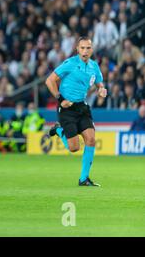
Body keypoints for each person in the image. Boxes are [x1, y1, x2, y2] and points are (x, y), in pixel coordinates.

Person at [45, 37, 107, 187]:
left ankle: (84, 179)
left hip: (82, 107)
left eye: (88, 48)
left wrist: (102, 89)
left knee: (91, 139)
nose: (85, 51)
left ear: (92, 50)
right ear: (77, 49)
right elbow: (50, 80)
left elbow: (99, 83)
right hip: (66, 108)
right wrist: (60, 99)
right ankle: (59, 130)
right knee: (74, 148)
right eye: (82, 48)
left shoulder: (94, 66)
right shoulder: (70, 64)